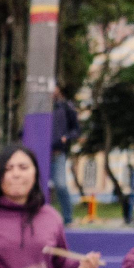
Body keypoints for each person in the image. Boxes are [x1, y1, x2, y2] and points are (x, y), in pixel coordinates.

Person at [49, 86, 82, 224]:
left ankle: (68, 219)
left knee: (61, 185)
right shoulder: (38, 105)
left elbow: (76, 129)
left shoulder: (66, 107)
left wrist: (66, 138)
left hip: (57, 153)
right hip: (39, 153)